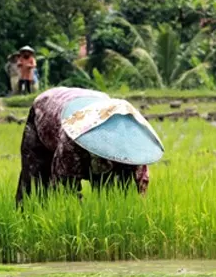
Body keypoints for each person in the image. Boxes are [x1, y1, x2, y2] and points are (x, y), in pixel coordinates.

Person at [15, 87, 165, 208]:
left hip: (93, 101)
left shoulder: (133, 143)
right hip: (50, 108)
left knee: (116, 194)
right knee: (36, 186)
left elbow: (140, 182)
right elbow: (64, 187)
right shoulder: (72, 139)